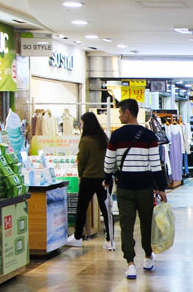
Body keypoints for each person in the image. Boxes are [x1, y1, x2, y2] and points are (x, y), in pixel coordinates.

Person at [103, 98, 167, 280]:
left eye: (120, 112)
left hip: (124, 188)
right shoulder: (149, 136)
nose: (119, 116)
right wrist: (161, 188)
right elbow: (156, 164)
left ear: (127, 113)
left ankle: (130, 264)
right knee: (146, 223)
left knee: (126, 225)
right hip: (145, 188)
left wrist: (107, 178)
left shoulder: (116, 136)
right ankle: (147, 256)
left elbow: (108, 162)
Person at [66, 113, 113, 250]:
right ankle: (109, 239)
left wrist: (80, 176)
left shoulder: (86, 140)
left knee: (81, 208)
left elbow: (81, 161)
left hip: (88, 179)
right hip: (104, 179)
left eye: (82, 124)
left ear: (86, 124)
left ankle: (77, 237)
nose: (81, 126)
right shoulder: (104, 139)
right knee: (106, 210)